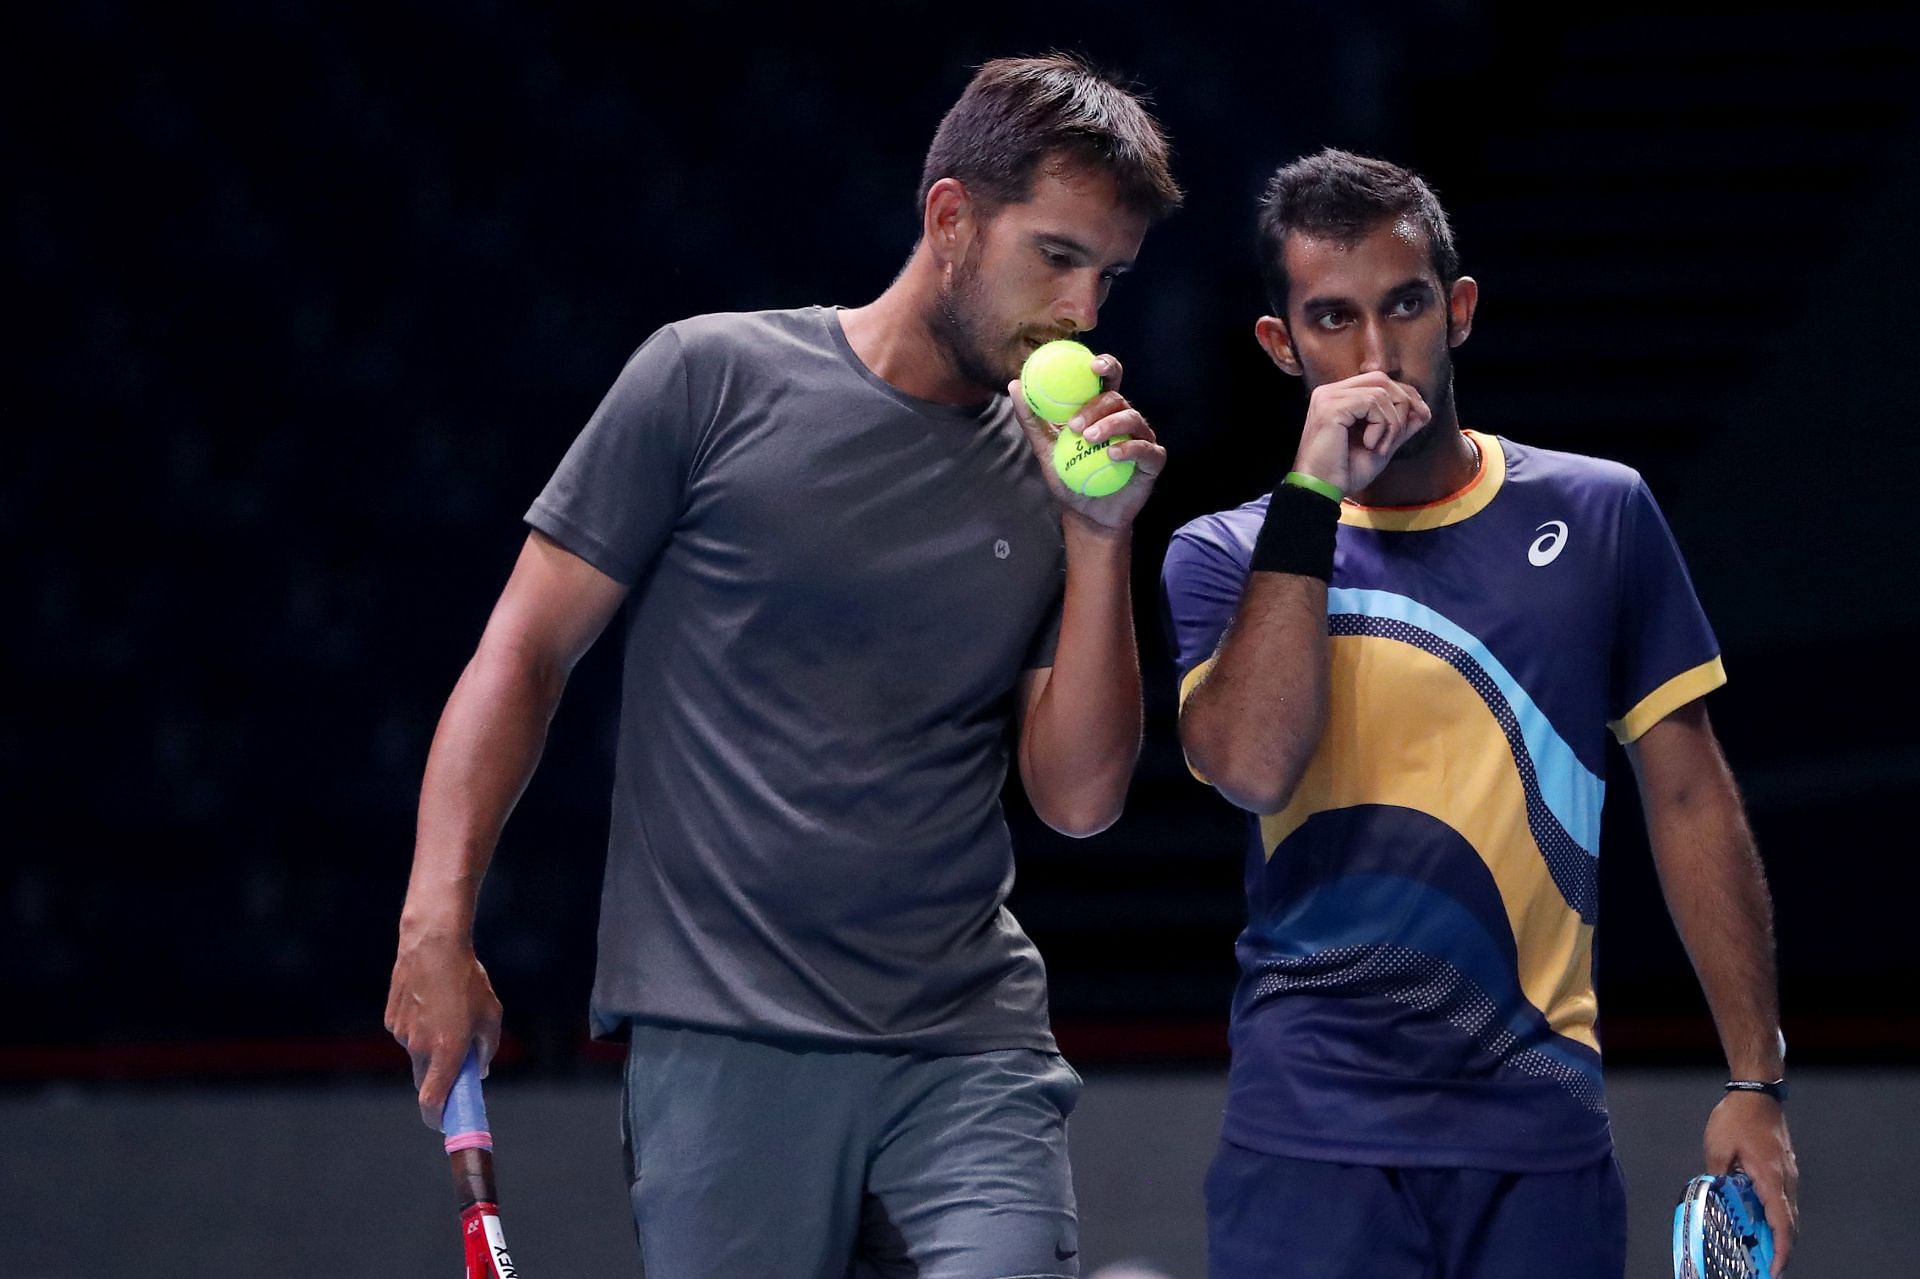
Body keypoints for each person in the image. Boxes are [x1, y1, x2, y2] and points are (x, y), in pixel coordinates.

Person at [383, 53, 1179, 1279]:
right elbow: (526, 650)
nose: (1082, 312)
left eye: (1109, 277)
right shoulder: (708, 379)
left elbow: (1080, 797)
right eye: (1057, 257)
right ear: (952, 220)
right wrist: (436, 920)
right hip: (724, 1042)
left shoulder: (1058, 473)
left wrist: (1098, 540)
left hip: (968, 1043)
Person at [1160, 149, 1799, 1278]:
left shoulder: (1601, 513)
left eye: (1403, 305)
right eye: (1332, 318)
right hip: (1309, 1143)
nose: (1374, 355)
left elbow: (1692, 795)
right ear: (1281, 344)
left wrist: (1756, 1078)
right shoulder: (1223, 556)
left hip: (1540, 1136)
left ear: (1456, 311)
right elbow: (1253, 765)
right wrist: (1312, 495)